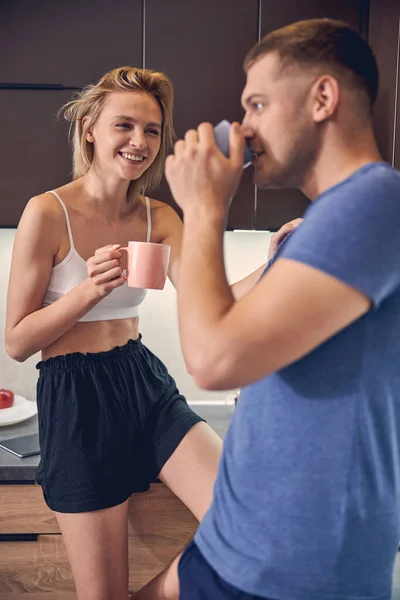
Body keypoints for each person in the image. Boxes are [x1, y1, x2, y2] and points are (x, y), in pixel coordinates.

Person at [5, 65, 299, 600]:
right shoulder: (46, 213)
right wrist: (87, 292)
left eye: (152, 130)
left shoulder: (159, 217)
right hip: (75, 399)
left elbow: (217, 300)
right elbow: (18, 341)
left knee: (250, 527)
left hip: (143, 382)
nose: (139, 142)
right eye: (125, 125)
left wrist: (277, 261)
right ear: (90, 127)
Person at [165, 18, 400, 600]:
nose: (244, 127)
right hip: (235, 546)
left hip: (291, 573)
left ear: (323, 98)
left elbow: (214, 359)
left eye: (259, 103)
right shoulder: (326, 221)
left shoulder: (374, 202)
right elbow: (230, 324)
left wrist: (202, 209)